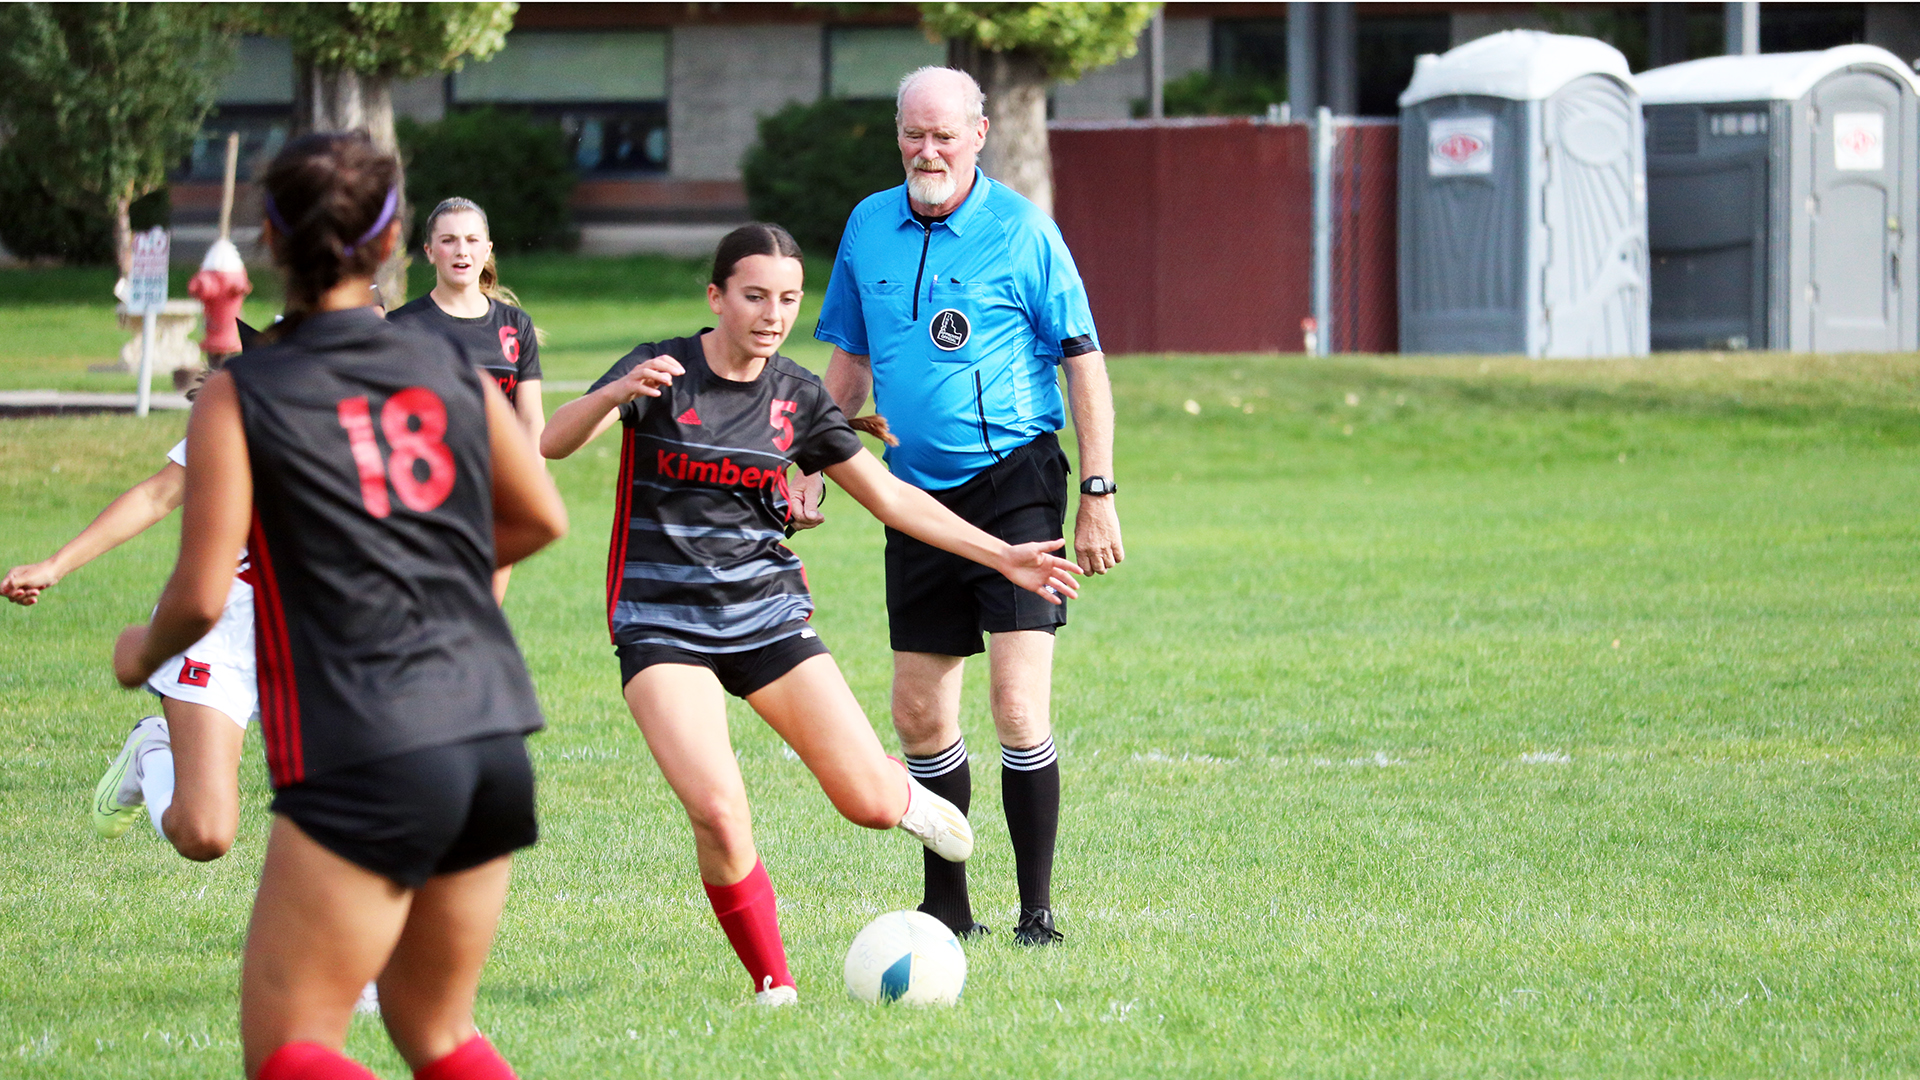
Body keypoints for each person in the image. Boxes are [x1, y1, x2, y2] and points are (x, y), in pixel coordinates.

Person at [112, 131, 567, 1080]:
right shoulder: (449, 367)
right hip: (489, 731)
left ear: (271, 242)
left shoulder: (245, 392)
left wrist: (133, 653)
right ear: (392, 242)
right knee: (436, 1032)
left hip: (368, 738)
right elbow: (539, 517)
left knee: (292, 1047)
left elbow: (200, 596)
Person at [541, 222, 1080, 1004]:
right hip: (661, 625)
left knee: (865, 806)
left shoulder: (797, 395)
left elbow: (891, 497)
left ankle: (898, 795)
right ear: (716, 296)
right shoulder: (661, 370)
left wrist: (1003, 555)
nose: (772, 314)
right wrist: (613, 395)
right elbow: (554, 444)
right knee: (721, 813)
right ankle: (775, 988)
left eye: (789, 299)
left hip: (767, 619)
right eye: (754, 296)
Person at [797, 66, 1125, 947]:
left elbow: (1083, 361)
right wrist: (814, 464)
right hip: (912, 497)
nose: (928, 151)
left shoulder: (1024, 233)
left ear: (980, 133)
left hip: (1017, 484)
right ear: (897, 133)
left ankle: (1038, 914)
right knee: (919, 716)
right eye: (914, 134)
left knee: (1018, 709)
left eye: (945, 135)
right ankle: (948, 906)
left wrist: (1096, 491)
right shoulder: (869, 226)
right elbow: (848, 359)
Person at [3, 427, 255, 863]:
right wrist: (55, 565)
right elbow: (157, 495)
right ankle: (151, 753)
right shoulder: (246, 407)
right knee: (204, 833)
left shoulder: (385, 403)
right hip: (219, 640)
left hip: (321, 645)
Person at [387, 197, 546, 601]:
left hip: (495, 489)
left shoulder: (515, 326)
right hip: (425, 494)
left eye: (473, 240)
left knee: (482, 615)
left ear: (488, 249)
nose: (462, 250)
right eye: (449, 240)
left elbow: (529, 419)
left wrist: (530, 487)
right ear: (429, 251)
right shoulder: (403, 326)